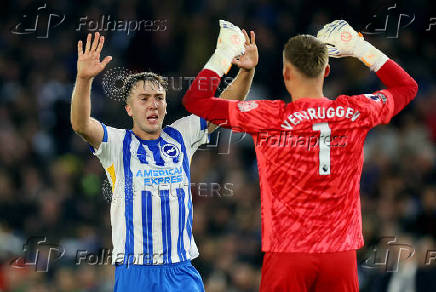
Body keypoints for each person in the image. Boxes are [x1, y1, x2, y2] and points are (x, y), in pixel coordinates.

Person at [182, 20, 418, 291]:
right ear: (327, 70)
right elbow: (406, 87)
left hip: (288, 252)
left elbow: (195, 102)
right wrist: (358, 47)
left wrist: (225, 55)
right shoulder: (355, 111)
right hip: (339, 254)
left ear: (286, 74)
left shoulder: (268, 116)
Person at [70, 20, 258, 292]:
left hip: (181, 269)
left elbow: (226, 106)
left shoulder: (182, 133)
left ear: (166, 105)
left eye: (158, 97)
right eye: (144, 98)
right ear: (129, 109)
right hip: (136, 271)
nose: (153, 104)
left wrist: (246, 72)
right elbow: (80, 123)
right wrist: (84, 79)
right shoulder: (117, 143)